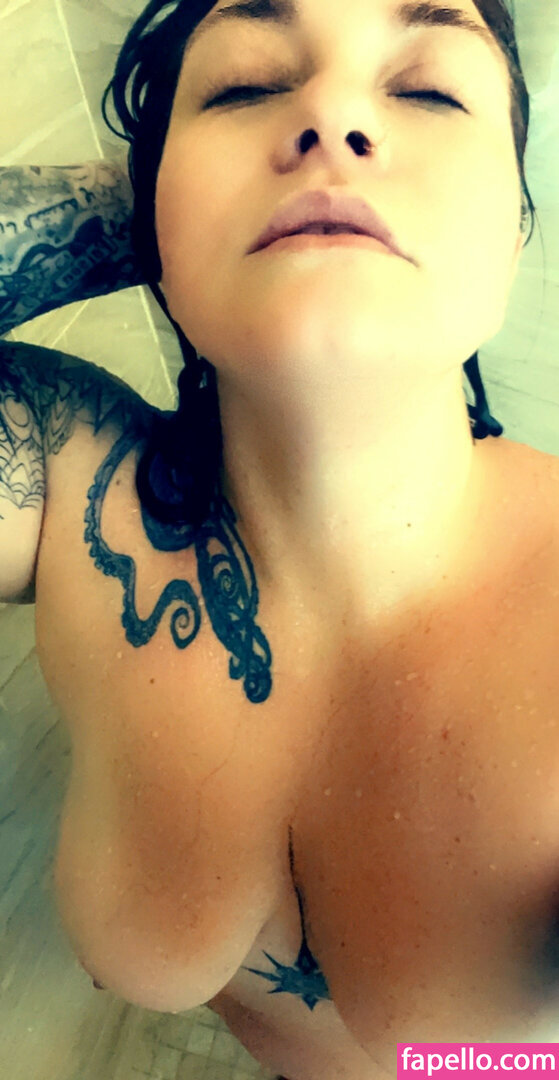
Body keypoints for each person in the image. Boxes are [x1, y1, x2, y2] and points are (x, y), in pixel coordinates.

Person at [1, 1, 558, 1077]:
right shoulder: (72, 490)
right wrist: (163, 208)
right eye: (246, 85)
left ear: (514, 232)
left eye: (426, 89)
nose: (333, 113)